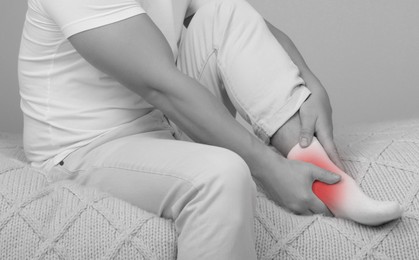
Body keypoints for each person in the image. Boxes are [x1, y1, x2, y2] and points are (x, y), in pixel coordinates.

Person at [18, 0, 402, 259]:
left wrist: (311, 83)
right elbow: (160, 84)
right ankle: (294, 169)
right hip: (85, 148)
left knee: (225, 10)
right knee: (221, 174)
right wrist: (269, 170)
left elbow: (242, 22)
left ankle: (311, 159)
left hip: (159, 118)